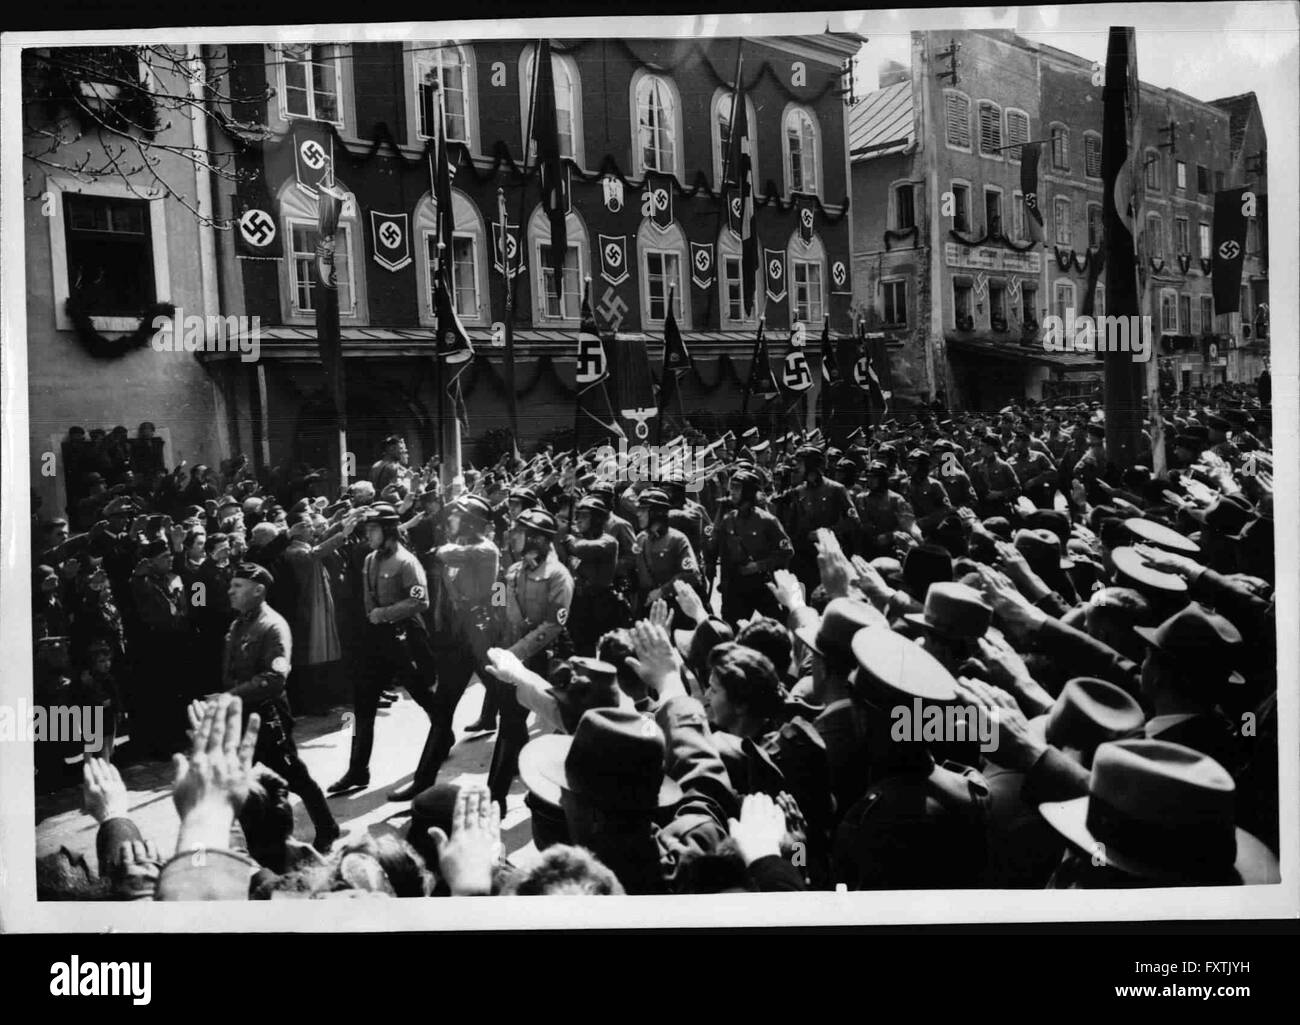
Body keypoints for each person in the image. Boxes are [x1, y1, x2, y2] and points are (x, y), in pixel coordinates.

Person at [218, 563, 340, 852]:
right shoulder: (240, 623)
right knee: (231, 781)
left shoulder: (273, 626)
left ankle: (327, 828)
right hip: (242, 715)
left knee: (294, 775)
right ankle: (238, 842)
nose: (230, 591)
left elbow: (275, 678)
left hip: (268, 715)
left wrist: (231, 695)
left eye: (237, 586)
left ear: (258, 590)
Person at [327, 504, 441, 797]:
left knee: (425, 697)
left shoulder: (407, 562)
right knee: (362, 705)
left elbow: (421, 601)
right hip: (375, 642)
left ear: (389, 531)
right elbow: (367, 599)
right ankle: (357, 770)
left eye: (373, 529)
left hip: (405, 640)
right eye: (367, 530)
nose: (368, 535)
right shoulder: (368, 559)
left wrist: (385, 614)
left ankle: (443, 735)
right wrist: (372, 619)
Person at [488, 507, 574, 814]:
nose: (513, 538)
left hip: (544, 660)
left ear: (537, 540)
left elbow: (553, 626)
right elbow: (498, 600)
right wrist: (493, 624)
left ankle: (504, 796)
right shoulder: (514, 571)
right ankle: (497, 795)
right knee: (510, 723)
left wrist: (515, 654)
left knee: (559, 725)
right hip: (513, 656)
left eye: (520, 533)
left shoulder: (558, 576)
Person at [712, 470, 793, 625]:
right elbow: (721, 555)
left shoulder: (767, 520)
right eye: (732, 487)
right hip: (736, 588)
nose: (732, 492)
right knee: (732, 633)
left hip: (762, 585)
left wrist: (758, 566)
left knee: (778, 630)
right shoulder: (727, 519)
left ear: (748, 492)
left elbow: (787, 551)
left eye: (737, 488)